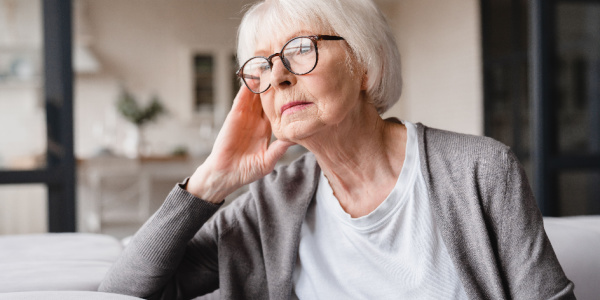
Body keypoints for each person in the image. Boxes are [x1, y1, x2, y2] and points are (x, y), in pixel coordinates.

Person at [99, 0, 575, 299]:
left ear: (363, 66)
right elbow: (123, 292)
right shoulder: (271, 203)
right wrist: (210, 182)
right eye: (261, 65)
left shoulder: (480, 170)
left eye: (301, 48)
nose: (279, 75)